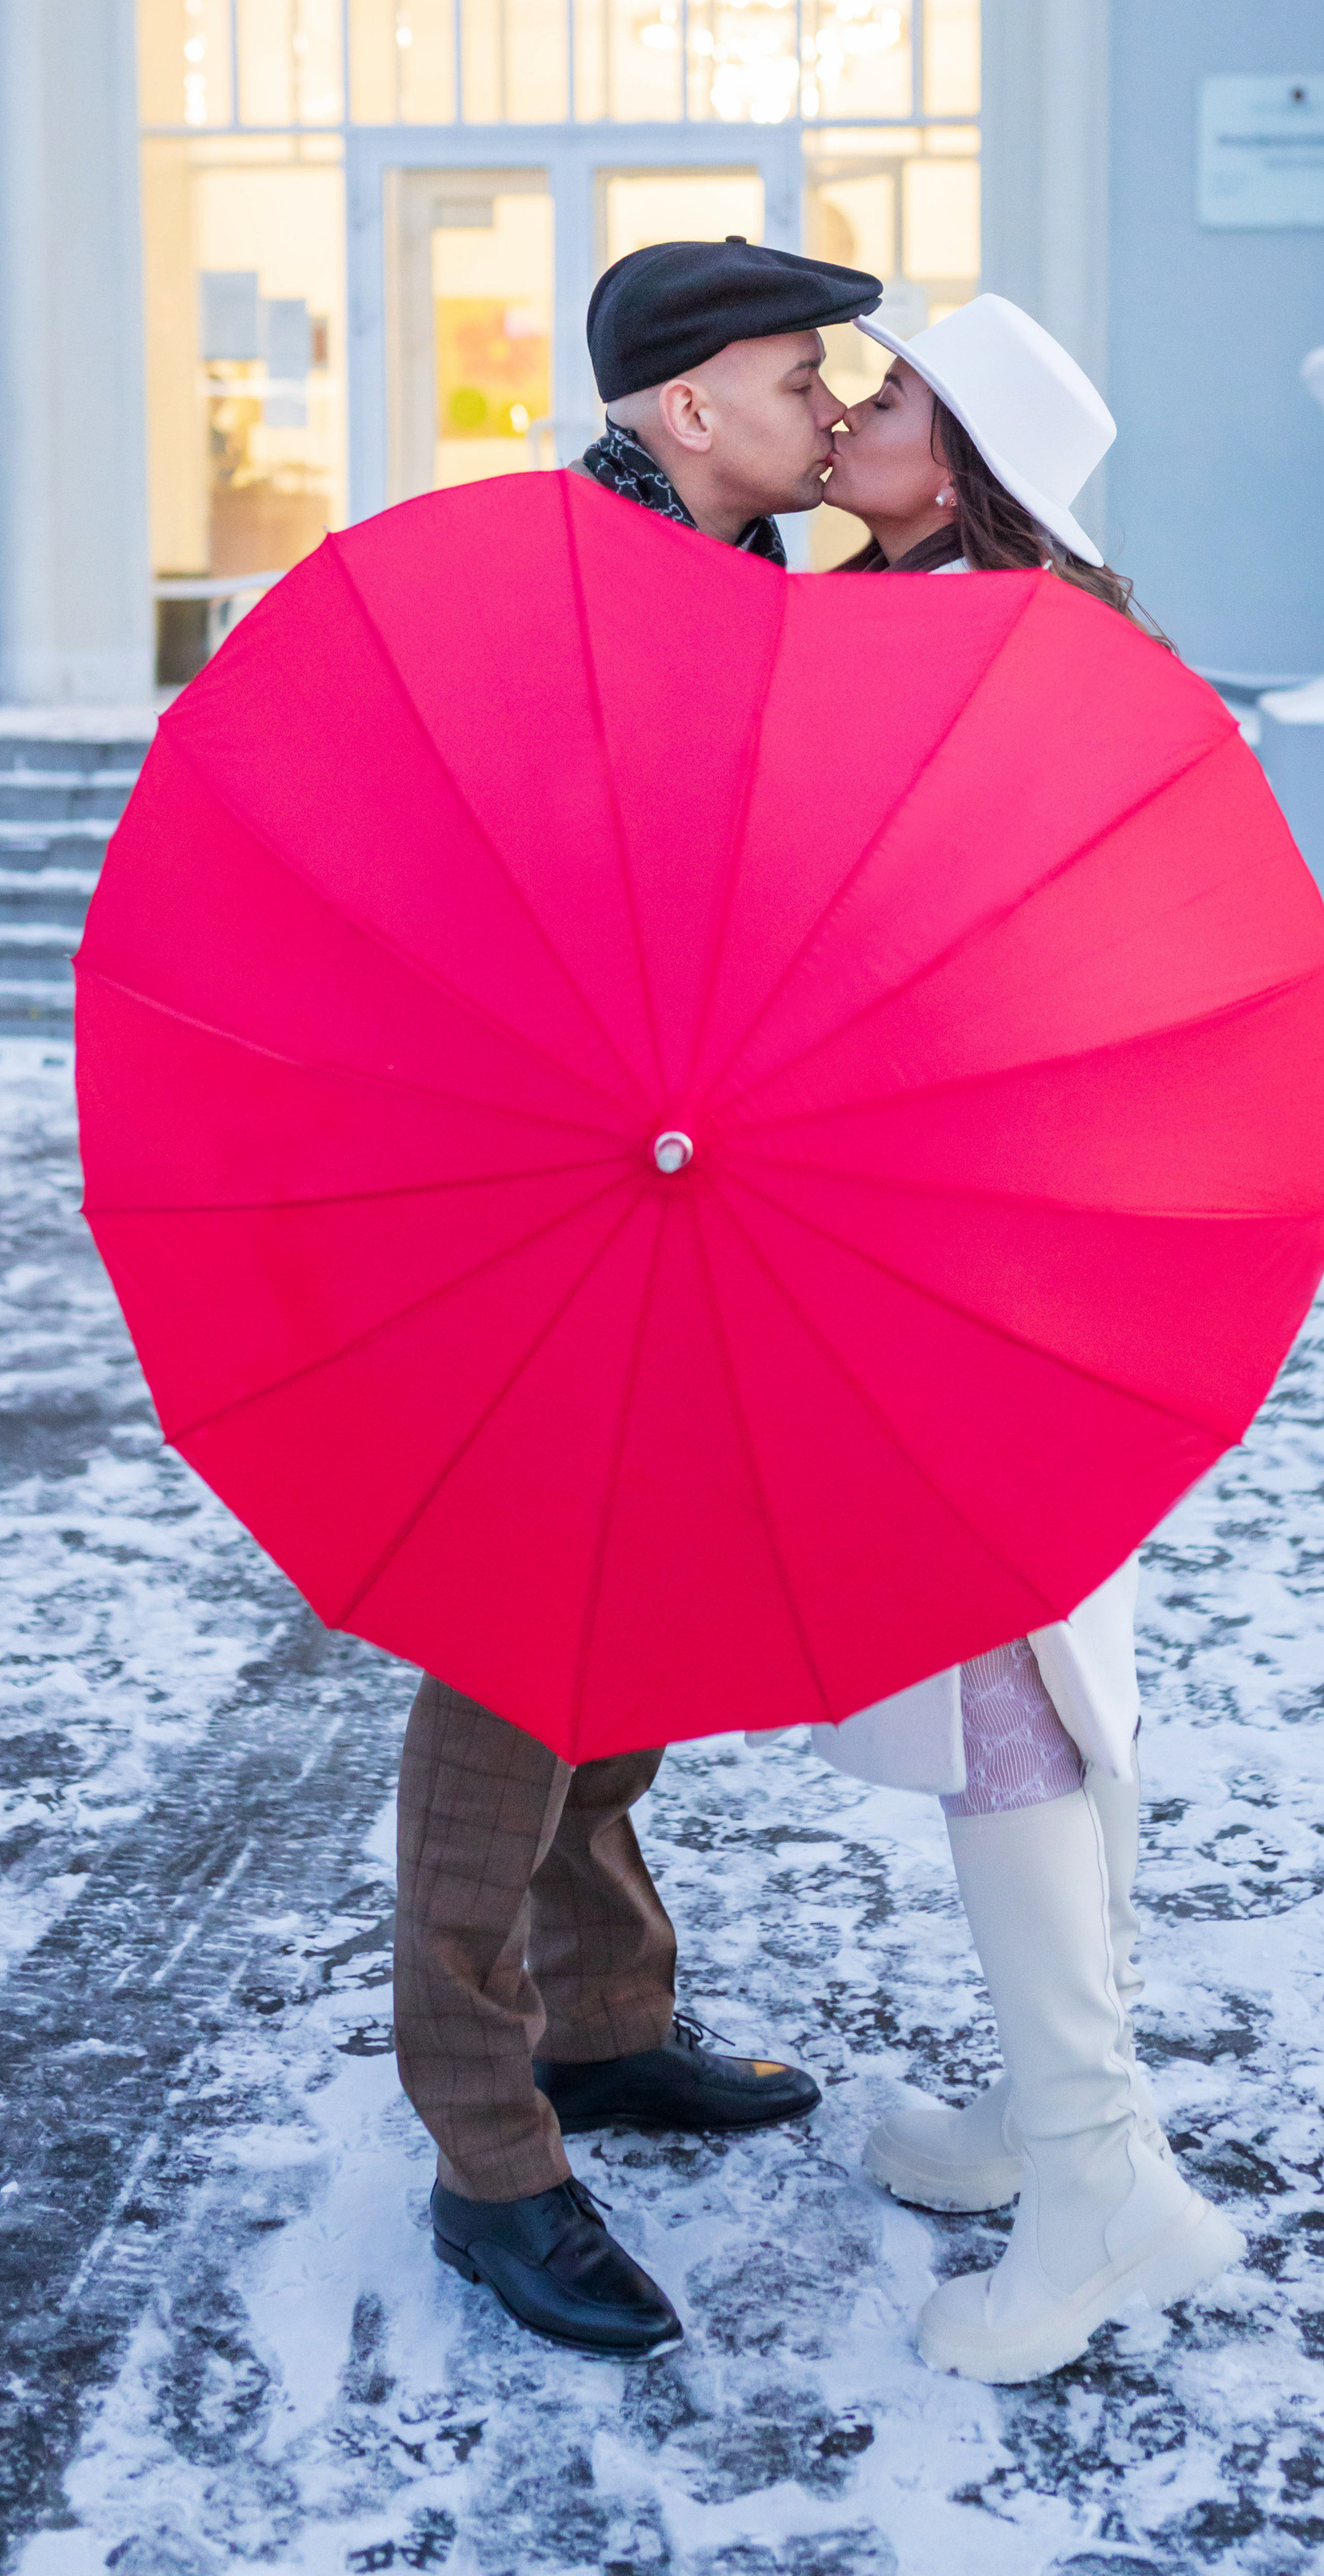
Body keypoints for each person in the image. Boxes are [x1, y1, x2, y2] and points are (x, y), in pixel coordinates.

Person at [398, 234, 881, 2362]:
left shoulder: (725, 586)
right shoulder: (551, 600)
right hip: (520, 1202)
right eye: (798, 374)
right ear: (690, 409)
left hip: (676, 1180)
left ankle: (604, 2025)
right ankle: (490, 2151)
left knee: (623, 1640)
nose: (826, 403)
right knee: (508, 1668)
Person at [813, 290, 1246, 2385]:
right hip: (946, 1239)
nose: (850, 412)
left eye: (884, 397)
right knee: (1031, 1684)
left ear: (965, 457)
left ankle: (1098, 2182)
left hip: (997, 1251)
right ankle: (1056, 2117)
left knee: (1019, 1693)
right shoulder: (920, 618)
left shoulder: (1012, 653)